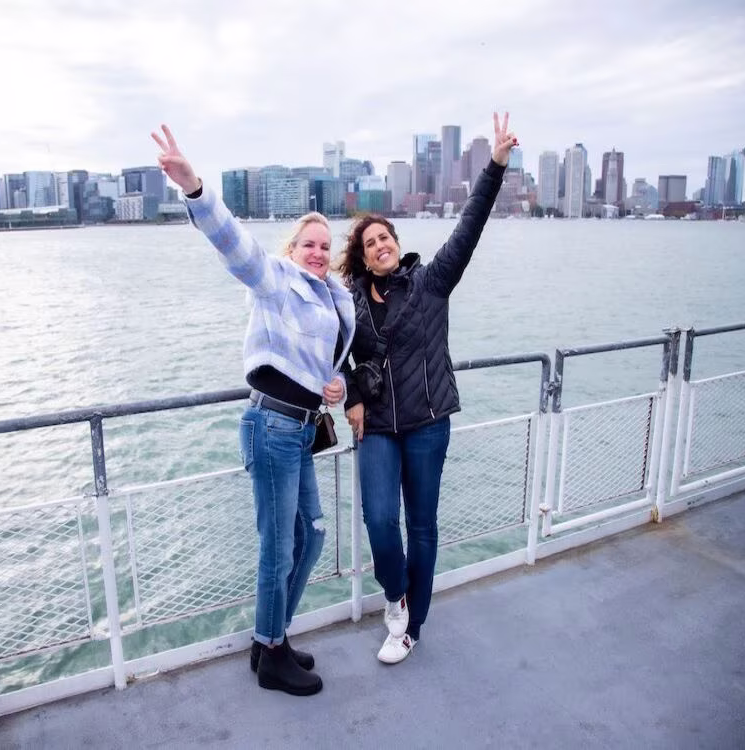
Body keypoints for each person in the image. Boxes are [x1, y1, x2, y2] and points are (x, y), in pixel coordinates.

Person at [151, 125, 355, 696]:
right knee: (278, 546)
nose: (317, 251)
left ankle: (273, 635)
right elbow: (233, 244)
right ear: (291, 251)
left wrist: (333, 385)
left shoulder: (327, 297)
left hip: (302, 430)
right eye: (307, 243)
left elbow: (322, 360)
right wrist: (195, 189)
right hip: (270, 428)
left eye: (324, 245)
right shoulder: (275, 282)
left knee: (311, 537)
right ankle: (269, 655)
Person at [339, 112, 517, 664]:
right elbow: (337, 354)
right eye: (369, 243)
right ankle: (395, 596)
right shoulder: (349, 300)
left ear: (397, 243)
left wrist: (495, 167)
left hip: (428, 423)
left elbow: (470, 227)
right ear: (362, 256)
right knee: (379, 521)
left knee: (422, 525)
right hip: (378, 428)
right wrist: (351, 396)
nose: (379, 246)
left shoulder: (431, 282)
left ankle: (411, 626)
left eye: (385, 237)